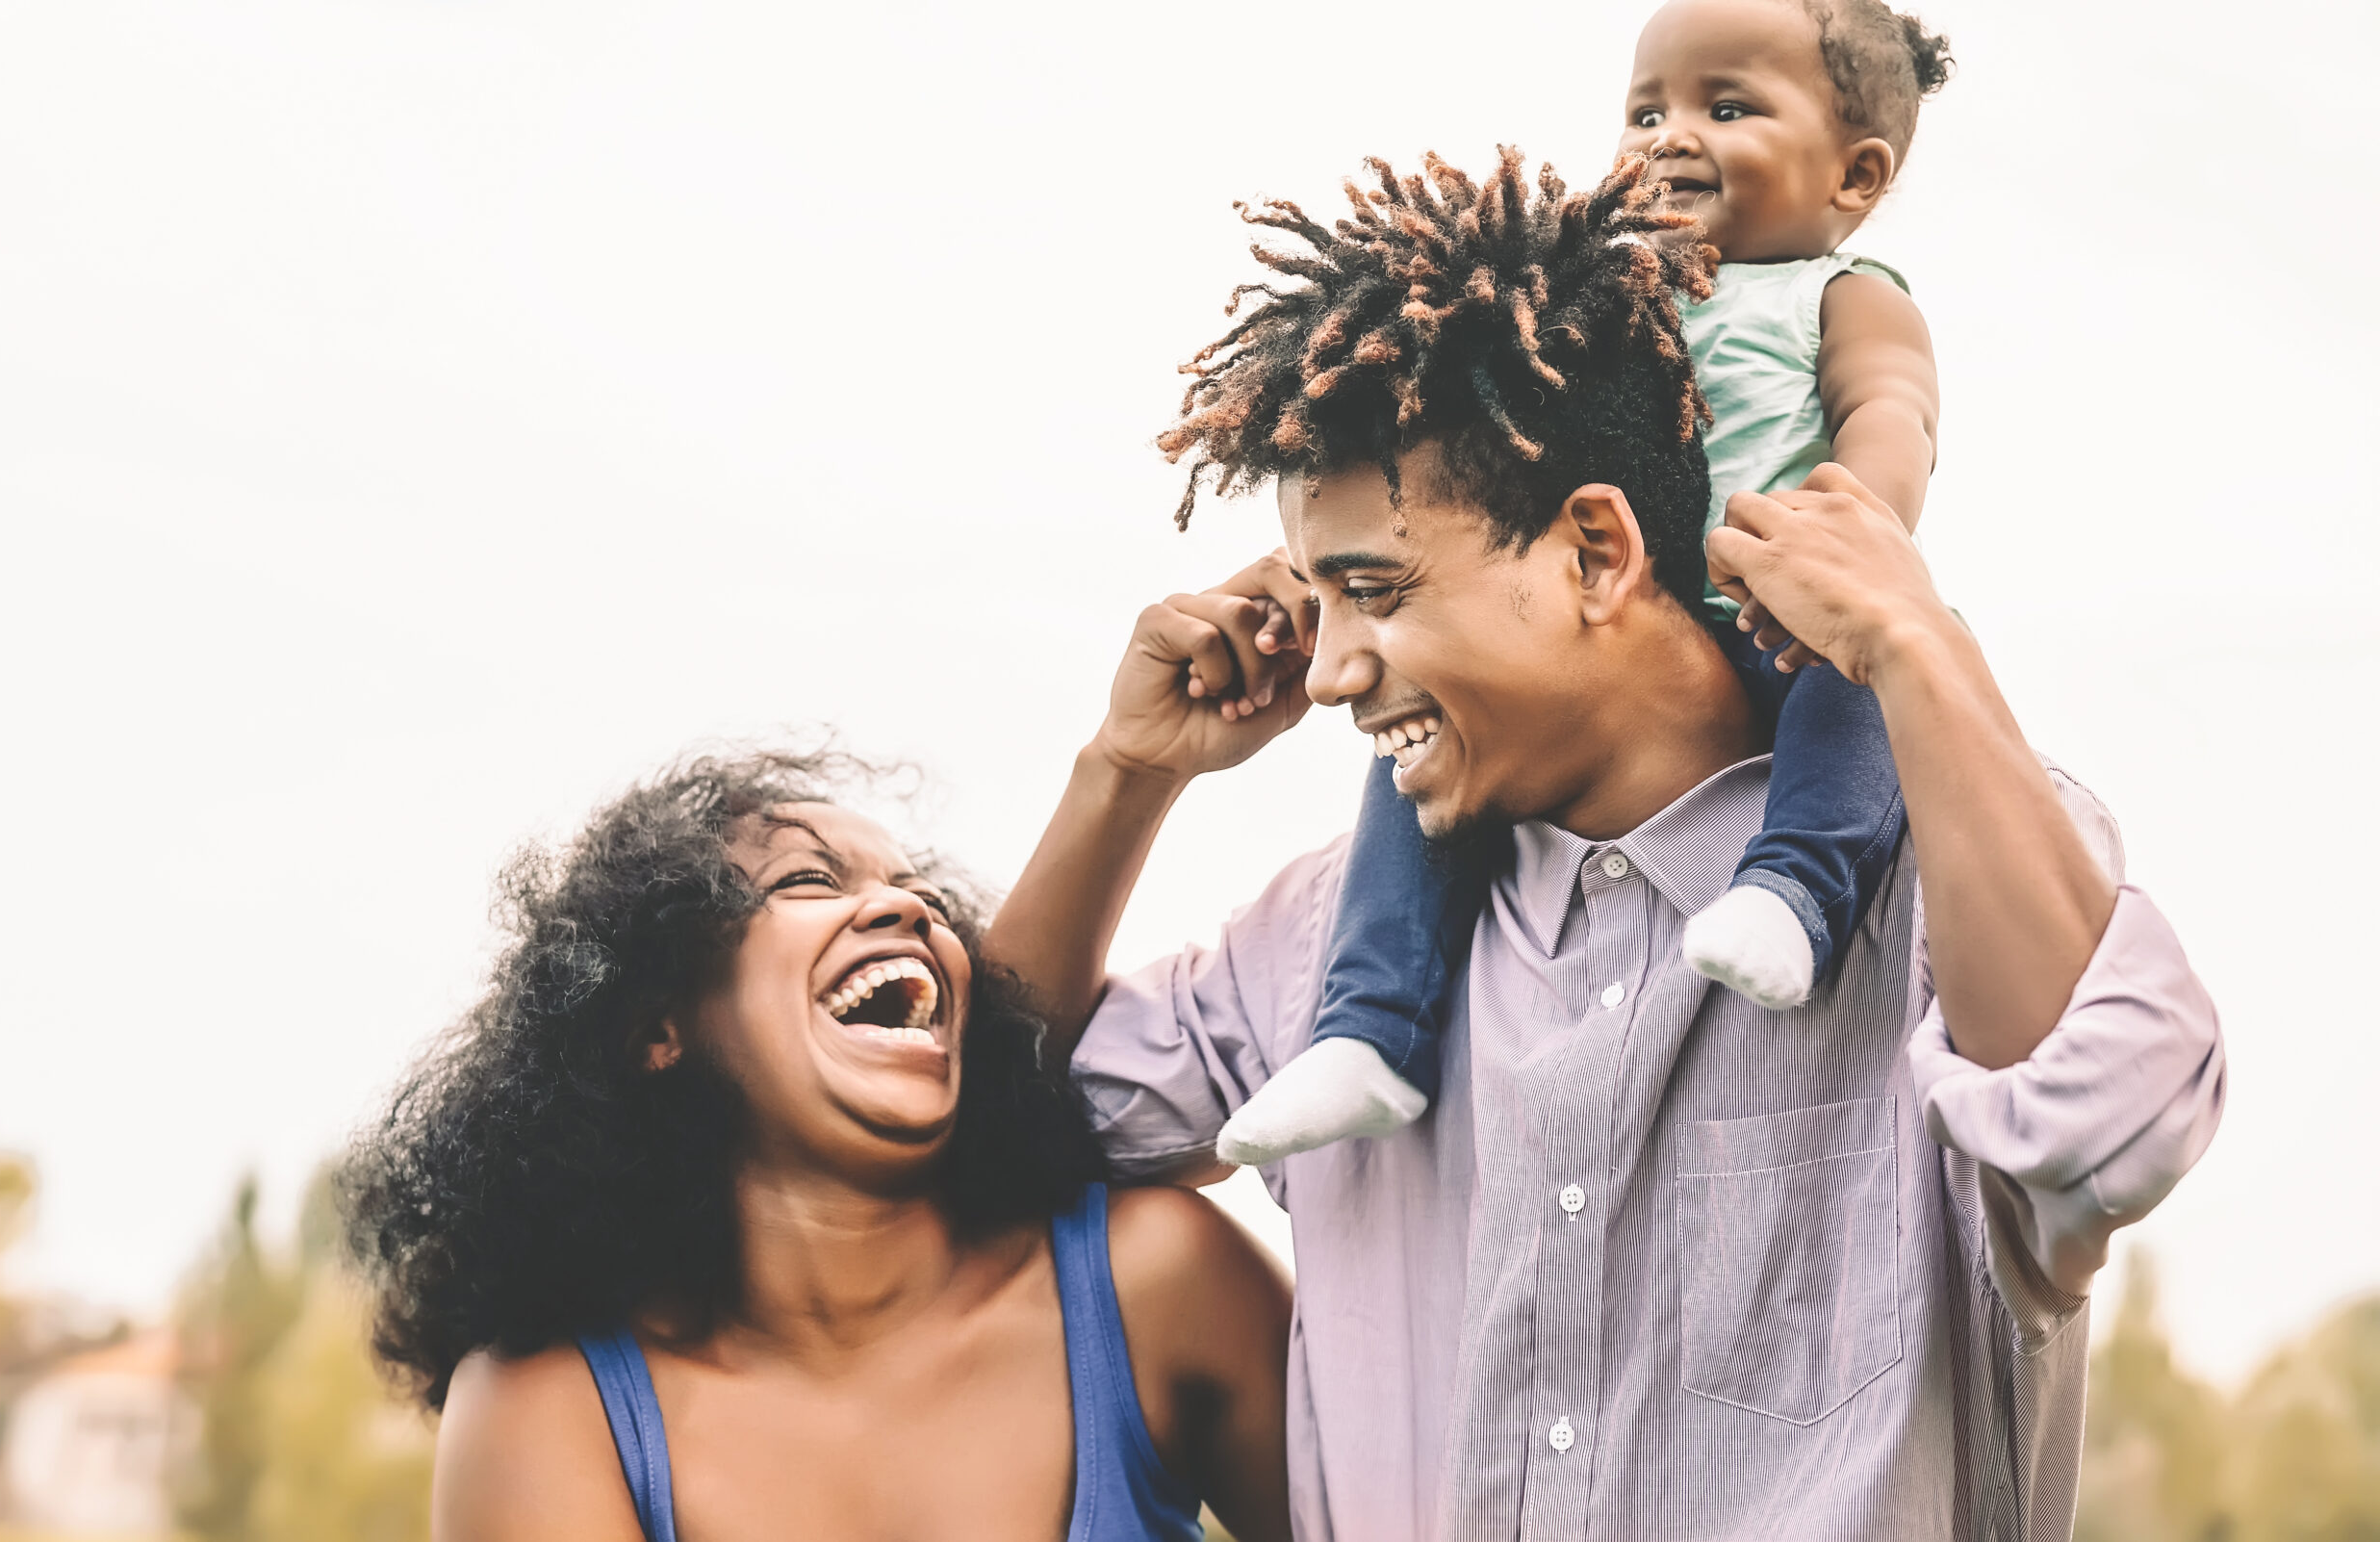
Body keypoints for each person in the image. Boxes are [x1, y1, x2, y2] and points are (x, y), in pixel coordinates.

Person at [985, 149, 2223, 1539]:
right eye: (1316, 601)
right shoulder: (1318, 946)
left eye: (1374, 591)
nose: (1329, 671)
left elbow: (2115, 1130)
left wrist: (1914, 650)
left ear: (1594, 554)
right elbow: (992, 1134)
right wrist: (1125, 774)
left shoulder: (1943, 868)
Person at [1218, 0, 1958, 1166]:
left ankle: (1796, 896)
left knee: (1854, 699)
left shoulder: (1844, 294)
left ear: (1854, 175)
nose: (1668, 135)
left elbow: (1892, 414)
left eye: (1726, 107)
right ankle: (1369, 1028)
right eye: (1645, 108)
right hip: (1627, 619)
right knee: (1414, 765)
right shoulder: (1612, 301)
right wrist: (1347, 580)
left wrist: (1849, 532)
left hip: (1792, 602)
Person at [340, 753, 1292, 1542]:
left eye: (919, 895)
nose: (907, 911)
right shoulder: (546, 1406)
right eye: (804, 881)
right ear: (655, 1027)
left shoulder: (1158, 1280)